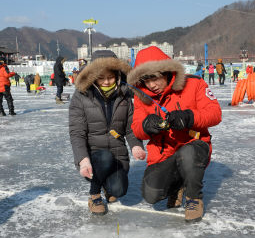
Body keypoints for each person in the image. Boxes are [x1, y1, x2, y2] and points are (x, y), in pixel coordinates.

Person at [127, 46, 222, 223]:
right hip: (163, 155)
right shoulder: (141, 96)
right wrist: (147, 125)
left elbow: (215, 113)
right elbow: (136, 128)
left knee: (188, 154)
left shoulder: (194, 84)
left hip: (194, 146)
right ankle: (177, 186)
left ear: (167, 71)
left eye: (154, 78)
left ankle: (194, 197)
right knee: (151, 194)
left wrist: (190, 116)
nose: (151, 85)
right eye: (145, 81)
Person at [69, 50, 146, 216]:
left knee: (119, 191)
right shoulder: (81, 96)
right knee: (104, 158)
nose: (106, 82)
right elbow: (77, 133)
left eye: (110, 77)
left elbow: (130, 127)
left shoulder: (124, 96)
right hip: (94, 156)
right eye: (101, 77)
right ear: (92, 76)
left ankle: (107, 184)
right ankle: (95, 194)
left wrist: (136, 146)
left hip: (118, 153)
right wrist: (83, 160)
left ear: (118, 75)